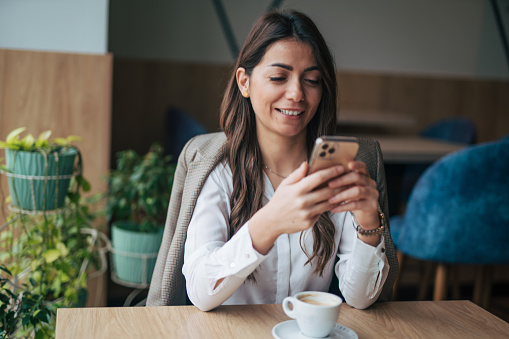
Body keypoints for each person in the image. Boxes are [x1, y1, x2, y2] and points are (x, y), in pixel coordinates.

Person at [147, 9, 398, 310]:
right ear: (244, 82)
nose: (296, 94)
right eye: (279, 77)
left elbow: (360, 299)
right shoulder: (217, 168)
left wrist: (369, 225)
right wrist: (270, 222)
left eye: (312, 80)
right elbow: (200, 291)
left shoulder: (332, 171)